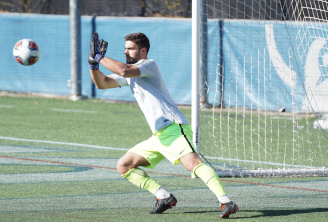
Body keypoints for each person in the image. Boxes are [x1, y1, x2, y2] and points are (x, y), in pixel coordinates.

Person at [88, 32, 238, 219]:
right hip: (158, 136)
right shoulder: (130, 72)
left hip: (174, 127)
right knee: (124, 166)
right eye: (125, 48)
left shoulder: (148, 65)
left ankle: (226, 201)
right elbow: (102, 83)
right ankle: (163, 197)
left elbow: (124, 70)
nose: (126, 51)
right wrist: (93, 65)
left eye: (130, 48)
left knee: (193, 164)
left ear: (143, 50)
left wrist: (100, 57)